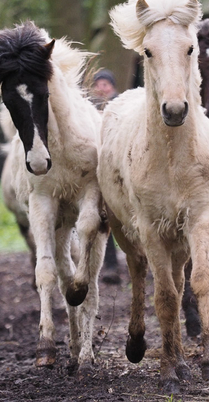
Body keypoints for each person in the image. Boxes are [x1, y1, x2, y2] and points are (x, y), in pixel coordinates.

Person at [90, 69, 121, 284]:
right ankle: (109, 264)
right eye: (99, 84)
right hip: (98, 169)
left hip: (119, 164)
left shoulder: (122, 106)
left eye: (106, 84)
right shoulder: (87, 111)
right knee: (104, 216)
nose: (102, 88)